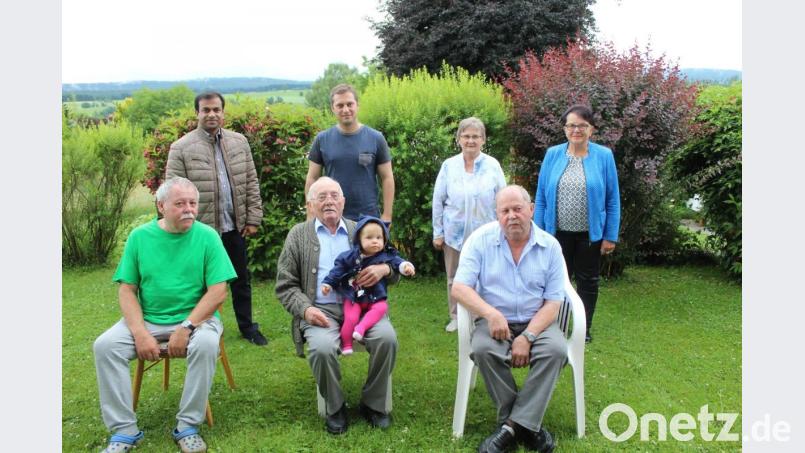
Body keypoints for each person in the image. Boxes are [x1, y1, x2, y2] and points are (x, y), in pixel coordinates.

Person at [93, 177, 236, 453]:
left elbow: (218, 292)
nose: (189, 210)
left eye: (193, 203)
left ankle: (187, 426)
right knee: (105, 346)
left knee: (206, 344)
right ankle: (124, 431)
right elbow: (127, 291)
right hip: (148, 318)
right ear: (161, 206)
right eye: (180, 203)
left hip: (195, 319)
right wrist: (139, 333)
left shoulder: (208, 237)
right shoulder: (139, 237)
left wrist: (186, 326)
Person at [276, 177, 399, 434]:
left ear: (343, 202)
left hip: (363, 307)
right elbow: (285, 286)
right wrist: (306, 310)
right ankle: (335, 406)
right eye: (321, 197)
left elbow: (396, 266)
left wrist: (384, 268)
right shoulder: (298, 235)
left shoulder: (361, 229)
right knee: (320, 349)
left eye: (334, 196)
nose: (329, 201)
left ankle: (373, 403)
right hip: (322, 311)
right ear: (311, 205)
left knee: (387, 338)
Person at [452, 185, 565, 453]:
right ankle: (528, 425)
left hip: (536, 319)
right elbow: (459, 287)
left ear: (531, 209)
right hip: (494, 321)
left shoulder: (550, 246)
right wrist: (491, 314)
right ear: (497, 215)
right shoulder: (481, 242)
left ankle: (511, 426)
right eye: (505, 211)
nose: (512, 215)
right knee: (482, 349)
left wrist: (528, 336)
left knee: (556, 350)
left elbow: (554, 303)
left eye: (517, 208)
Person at [166, 91, 268, 346]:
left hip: (234, 227)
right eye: (206, 110)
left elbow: (251, 182)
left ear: (223, 112)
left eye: (216, 110)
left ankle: (248, 327)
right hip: (200, 232)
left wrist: (253, 217)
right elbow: (172, 191)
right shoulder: (181, 148)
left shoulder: (239, 142)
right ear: (197, 113)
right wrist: (181, 226)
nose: (211, 114)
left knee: (241, 281)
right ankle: (200, 329)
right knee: (198, 285)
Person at [533, 104, 621, 343]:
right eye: (572, 125)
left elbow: (613, 199)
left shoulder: (603, 156)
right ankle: (556, 327)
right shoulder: (553, 154)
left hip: (589, 235)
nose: (577, 130)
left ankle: (584, 328)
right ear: (565, 129)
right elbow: (541, 197)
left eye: (582, 125)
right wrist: (538, 233)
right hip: (556, 234)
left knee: (588, 282)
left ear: (591, 129)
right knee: (556, 282)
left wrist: (610, 235)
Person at [432, 117, 506, 332]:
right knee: (454, 277)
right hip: (454, 233)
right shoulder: (449, 166)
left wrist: (503, 230)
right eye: (466, 136)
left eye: (475, 136)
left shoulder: (492, 165)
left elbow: (502, 198)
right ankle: (455, 316)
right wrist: (438, 232)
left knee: (485, 277)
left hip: (486, 233)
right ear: (458, 139)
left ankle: (480, 316)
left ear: (483, 140)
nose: (470, 140)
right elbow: (438, 200)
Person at [321, 215, 415, 355]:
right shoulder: (350, 256)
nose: (375, 241)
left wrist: (406, 267)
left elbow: (398, 263)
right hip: (354, 296)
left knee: (382, 307)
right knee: (351, 318)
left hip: (375, 297)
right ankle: (346, 343)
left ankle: (361, 328)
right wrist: (328, 283)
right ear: (359, 239)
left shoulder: (386, 256)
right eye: (369, 238)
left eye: (379, 238)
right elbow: (338, 269)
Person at [304, 83, 395, 223]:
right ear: (332, 109)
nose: (345, 109)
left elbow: (387, 177)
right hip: (332, 219)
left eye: (349, 104)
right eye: (340, 105)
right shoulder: (322, 139)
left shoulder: (376, 138)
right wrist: (311, 214)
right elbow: (312, 178)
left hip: (368, 219)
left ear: (357, 105)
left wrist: (387, 215)